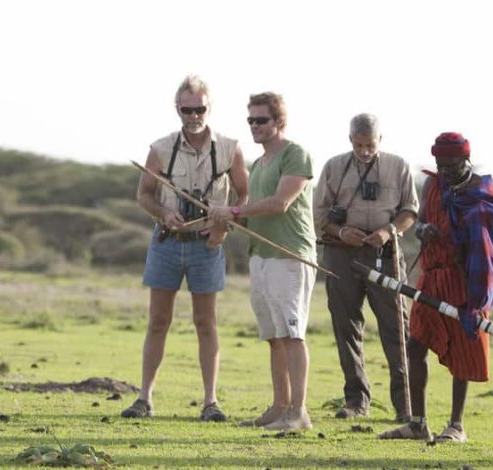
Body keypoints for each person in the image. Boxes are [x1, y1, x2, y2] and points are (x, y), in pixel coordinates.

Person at [377, 132, 493, 443]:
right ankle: (417, 424)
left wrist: (464, 239)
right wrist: (425, 230)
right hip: (432, 274)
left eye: (452, 166)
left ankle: (456, 426)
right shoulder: (432, 184)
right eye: (441, 166)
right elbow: (422, 222)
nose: (446, 172)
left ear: (466, 160)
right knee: (416, 346)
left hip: (465, 280)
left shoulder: (482, 191)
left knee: (463, 350)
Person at [122, 75, 248, 422]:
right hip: (167, 241)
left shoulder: (229, 147)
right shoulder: (161, 149)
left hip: (207, 244)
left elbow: (244, 194)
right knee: (158, 321)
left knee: (205, 322)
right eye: (187, 109)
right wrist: (165, 212)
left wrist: (224, 225)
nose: (194, 115)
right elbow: (144, 194)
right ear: (177, 109)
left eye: (200, 108)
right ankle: (144, 398)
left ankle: (211, 402)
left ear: (210, 108)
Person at [209, 92, 317, 431]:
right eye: (251, 121)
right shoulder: (259, 164)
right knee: (273, 335)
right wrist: (225, 219)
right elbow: (253, 214)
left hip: (289, 256)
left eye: (262, 120)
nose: (255, 126)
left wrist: (235, 210)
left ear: (279, 122)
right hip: (261, 256)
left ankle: (299, 412)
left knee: (292, 332)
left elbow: (280, 203)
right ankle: (279, 406)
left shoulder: (295, 154)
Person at [312, 113, 418, 421]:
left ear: (380, 140)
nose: (364, 151)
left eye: (370, 144)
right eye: (359, 145)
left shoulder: (398, 166)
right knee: (346, 327)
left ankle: (406, 405)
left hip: (385, 254)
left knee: (397, 327)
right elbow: (320, 215)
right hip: (342, 255)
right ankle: (356, 401)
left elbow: (410, 210)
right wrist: (342, 232)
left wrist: (388, 231)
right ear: (350, 140)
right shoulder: (333, 167)